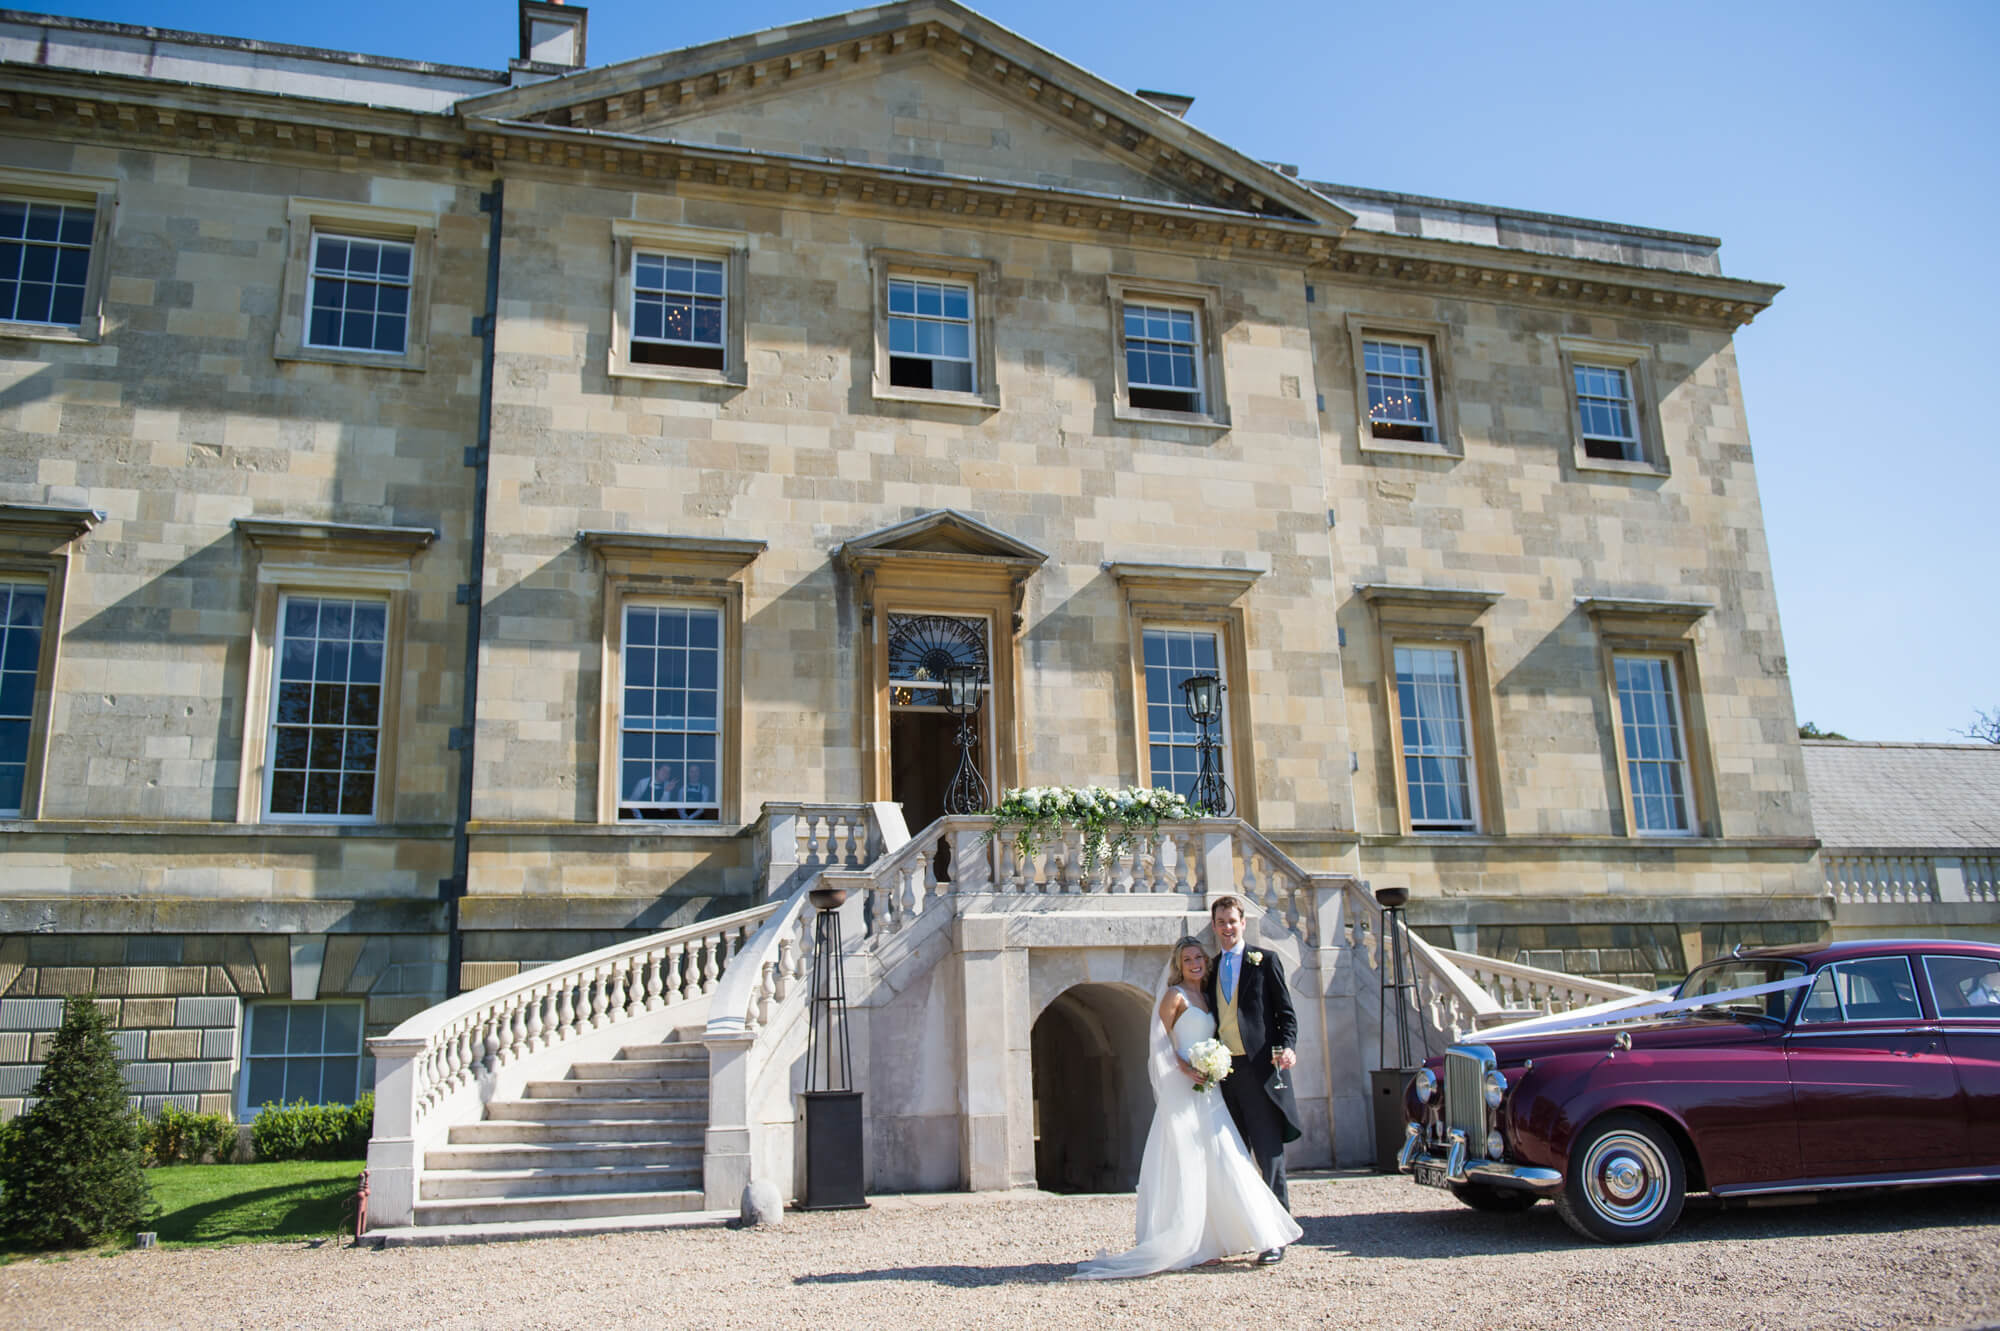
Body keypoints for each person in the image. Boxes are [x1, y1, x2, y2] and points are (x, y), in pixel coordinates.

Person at [1071, 936, 1301, 1279]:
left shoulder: (1207, 997)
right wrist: (1183, 1066)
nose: (1195, 963)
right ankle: (1191, 1241)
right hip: (1185, 1086)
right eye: (1188, 959)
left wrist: (1215, 1064)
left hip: (1210, 1088)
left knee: (1224, 1159)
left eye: (1198, 957)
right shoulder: (1174, 997)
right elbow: (1159, 1042)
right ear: (1179, 965)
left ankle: (1230, 1236)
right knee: (1190, 1161)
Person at [1203, 894, 1301, 1263]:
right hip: (1225, 1073)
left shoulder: (1265, 961)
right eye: (1221, 922)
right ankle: (1243, 1231)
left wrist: (1287, 1047)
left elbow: (1286, 1015)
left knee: (1268, 1153)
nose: (1227, 928)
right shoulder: (1211, 969)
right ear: (1214, 927)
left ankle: (1276, 1235)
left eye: (1232, 921)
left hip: (1260, 1070)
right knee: (1234, 1156)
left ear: (1243, 923)